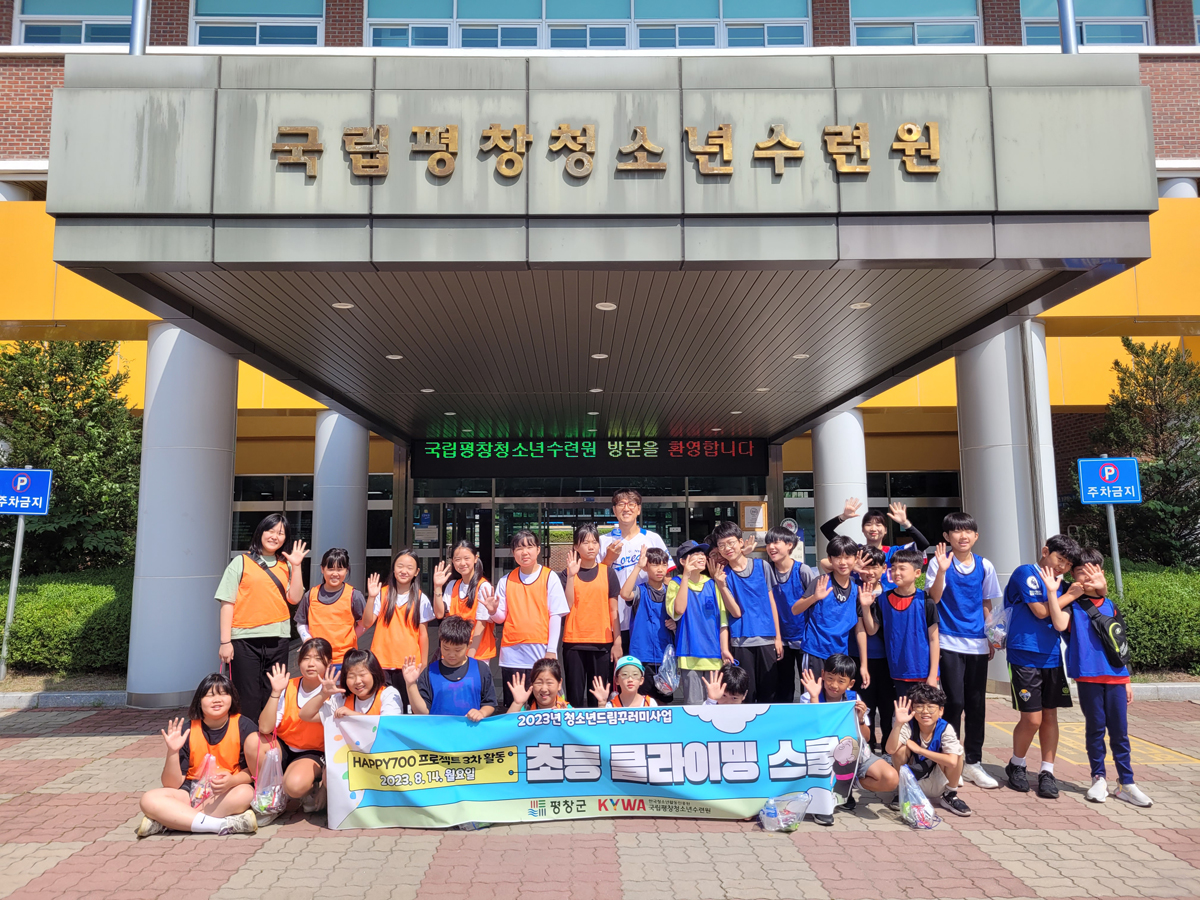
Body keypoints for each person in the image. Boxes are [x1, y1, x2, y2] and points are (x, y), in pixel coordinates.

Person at [1046, 548, 1152, 807]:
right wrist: (1052, 592)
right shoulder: (1074, 603)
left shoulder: (1111, 605)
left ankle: (1127, 783)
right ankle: (1099, 778)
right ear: (1073, 576)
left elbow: (1120, 643)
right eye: (1080, 573)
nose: (1086, 577)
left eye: (1092, 572)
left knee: (1120, 733)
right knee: (1095, 729)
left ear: (1101, 573)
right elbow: (1059, 624)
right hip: (1087, 676)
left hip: (1116, 676)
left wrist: (1127, 679)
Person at [925, 512, 1003, 791]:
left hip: (978, 644)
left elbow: (986, 603)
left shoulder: (985, 566)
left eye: (968, 531)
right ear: (946, 537)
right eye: (956, 531)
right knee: (954, 703)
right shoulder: (938, 562)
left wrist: (991, 638)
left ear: (976, 536)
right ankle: (950, 758)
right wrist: (943, 570)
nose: (963, 536)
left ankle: (973, 762)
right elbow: (933, 598)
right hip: (948, 641)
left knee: (976, 704)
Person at [1002, 533, 1081, 799]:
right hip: (1023, 653)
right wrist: (1068, 595)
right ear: (1045, 551)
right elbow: (1041, 611)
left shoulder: (1061, 582)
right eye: (1060, 559)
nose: (1062, 567)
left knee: (1050, 716)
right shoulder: (1026, 572)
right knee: (1032, 718)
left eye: (1068, 565)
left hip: (1051, 655)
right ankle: (1017, 764)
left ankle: (1047, 771)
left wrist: (1067, 590)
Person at [135, 673, 260, 837]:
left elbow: (252, 773)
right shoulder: (187, 730)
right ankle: (221, 825)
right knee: (149, 799)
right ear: (199, 702)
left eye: (223, 694)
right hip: (190, 792)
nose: (217, 700)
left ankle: (172, 821)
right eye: (210, 695)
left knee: (246, 793)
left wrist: (233, 780)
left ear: (232, 699)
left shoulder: (244, 726)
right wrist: (172, 751)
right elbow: (172, 784)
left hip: (225, 792)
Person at [216, 512, 308, 720]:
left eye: (281, 533)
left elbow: (294, 598)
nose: (275, 536)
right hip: (243, 640)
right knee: (246, 695)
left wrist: (297, 564)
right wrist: (225, 641)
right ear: (260, 532)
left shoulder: (287, 565)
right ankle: (247, 743)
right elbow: (226, 603)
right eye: (271, 530)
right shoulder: (241, 562)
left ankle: (270, 743)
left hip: (278, 639)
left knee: (273, 693)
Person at [798, 654, 900, 825]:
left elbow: (866, 737)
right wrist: (815, 697)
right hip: (821, 756)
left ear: (850, 683)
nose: (834, 685)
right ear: (822, 674)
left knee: (891, 778)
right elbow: (814, 732)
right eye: (830, 678)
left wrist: (860, 719)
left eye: (841, 681)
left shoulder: (854, 699)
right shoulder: (809, 696)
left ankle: (850, 784)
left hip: (853, 754)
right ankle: (822, 803)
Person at [479, 530, 569, 709]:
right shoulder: (506, 580)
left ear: (538, 550)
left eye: (529, 546)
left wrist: (552, 650)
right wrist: (492, 610)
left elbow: (555, 616)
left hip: (541, 652)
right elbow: (500, 618)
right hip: (512, 655)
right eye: (519, 548)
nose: (524, 552)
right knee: (514, 707)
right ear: (513, 553)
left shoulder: (550, 577)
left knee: (545, 705)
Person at [258, 639, 331, 818]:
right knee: (255, 741)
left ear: (328, 663)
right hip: (284, 746)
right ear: (298, 662)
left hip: (313, 752)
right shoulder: (288, 686)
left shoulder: (332, 692)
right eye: (306, 658)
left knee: (294, 786)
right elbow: (265, 727)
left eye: (318, 658)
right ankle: (266, 796)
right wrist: (275, 692)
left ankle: (312, 786)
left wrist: (327, 787)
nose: (311, 663)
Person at [711, 521, 783, 704]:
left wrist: (778, 637)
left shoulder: (762, 566)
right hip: (740, 641)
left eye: (731, 542)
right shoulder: (723, 575)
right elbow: (734, 612)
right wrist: (721, 585)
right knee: (745, 695)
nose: (727, 548)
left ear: (740, 542)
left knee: (770, 692)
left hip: (766, 638)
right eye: (721, 545)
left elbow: (772, 602)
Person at [599, 489, 675, 651]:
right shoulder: (603, 541)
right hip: (612, 618)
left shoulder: (652, 539)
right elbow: (595, 579)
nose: (626, 508)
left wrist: (671, 613)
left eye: (631, 504)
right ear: (614, 510)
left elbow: (667, 577)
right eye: (621, 504)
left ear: (639, 509)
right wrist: (608, 559)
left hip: (647, 616)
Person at [667, 541, 737, 705]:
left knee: (715, 705)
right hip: (688, 655)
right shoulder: (675, 583)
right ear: (683, 561)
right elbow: (679, 610)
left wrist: (724, 649)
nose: (700, 557)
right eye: (695, 554)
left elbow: (723, 623)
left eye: (701, 554)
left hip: (713, 656)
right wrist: (685, 576)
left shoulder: (712, 584)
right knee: (694, 706)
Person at [361, 548, 434, 704]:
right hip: (381, 662)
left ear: (417, 572)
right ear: (393, 568)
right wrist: (371, 598)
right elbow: (367, 623)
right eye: (400, 566)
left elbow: (423, 635)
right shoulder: (382, 593)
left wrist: (424, 665)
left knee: (407, 708)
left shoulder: (421, 598)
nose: (404, 571)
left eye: (409, 567)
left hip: (409, 666)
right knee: (383, 707)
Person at [561, 523, 622, 708]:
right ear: (576, 546)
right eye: (585, 542)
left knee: (600, 697)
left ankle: (599, 735)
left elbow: (614, 610)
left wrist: (617, 642)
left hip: (602, 643)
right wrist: (571, 576)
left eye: (594, 542)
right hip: (574, 642)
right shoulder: (566, 574)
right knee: (575, 695)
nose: (590, 546)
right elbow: (567, 605)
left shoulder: (608, 572)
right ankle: (575, 736)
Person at [792, 536, 870, 682]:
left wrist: (864, 666)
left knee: (836, 700)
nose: (843, 562)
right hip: (815, 652)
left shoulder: (856, 589)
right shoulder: (821, 582)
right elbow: (795, 609)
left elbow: (860, 629)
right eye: (837, 557)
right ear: (830, 559)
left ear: (855, 558)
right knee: (812, 699)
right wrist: (814, 597)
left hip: (840, 656)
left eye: (847, 557)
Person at [887, 685, 972, 818]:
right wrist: (897, 724)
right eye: (919, 706)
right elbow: (890, 749)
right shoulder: (908, 725)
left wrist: (920, 750)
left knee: (957, 753)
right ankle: (903, 791)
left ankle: (949, 795)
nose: (925, 711)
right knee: (899, 750)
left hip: (938, 778)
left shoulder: (945, 728)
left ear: (941, 711)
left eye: (931, 707)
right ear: (912, 709)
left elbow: (952, 761)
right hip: (912, 777)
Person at [868, 548, 939, 700]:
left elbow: (934, 640)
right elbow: (872, 630)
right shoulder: (883, 600)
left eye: (902, 568)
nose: (896, 573)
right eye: (893, 569)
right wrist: (866, 607)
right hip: (897, 672)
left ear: (917, 573)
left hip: (923, 672)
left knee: (925, 715)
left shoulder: (926, 601)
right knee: (905, 717)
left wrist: (933, 675)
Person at [819, 499, 932, 589]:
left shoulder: (896, 552)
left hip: (889, 602)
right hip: (860, 602)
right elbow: (826, 530)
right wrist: (843, 517)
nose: (873, 528)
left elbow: (923, 544)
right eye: (868, 524)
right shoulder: (856, 551)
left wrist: (905, 523)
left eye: (878, 525)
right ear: (862, 529)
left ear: (886, 530)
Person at [403, 615, 497, 719]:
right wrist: (411, 684)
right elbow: (422, 712)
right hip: (438, 730)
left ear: (468, 645)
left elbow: (490, 703)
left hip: (471, 730)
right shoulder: (430, 672)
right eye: (446, 648)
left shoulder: (480, 669)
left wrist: (482, 713)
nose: (451, 654)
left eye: (457, 650)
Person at [765, 525, 817, 703]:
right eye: (768, 543)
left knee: (808, 686)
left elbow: (814, 604)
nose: (771, 547)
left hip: (804, 639)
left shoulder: (803, 571)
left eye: (776, 542)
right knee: (783, 687)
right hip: (779, 639)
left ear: (790, 545)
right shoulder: (767, 570)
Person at [620, 546, 676, 704]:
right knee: (642, 702)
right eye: (655, 564)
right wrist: (638, 566)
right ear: (646, 567)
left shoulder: (671, 593)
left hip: (665, 657)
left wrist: (675, 623)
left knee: (664, 703)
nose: (660, 569)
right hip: (642, 656)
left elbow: (681, 615)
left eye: (664, 564)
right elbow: (624, 594)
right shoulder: (640, 591)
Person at [294, 548, 366, 672]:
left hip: (345, 660)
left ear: (347, 570)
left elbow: (365, 623)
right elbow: (301, 622)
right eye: (330, 569)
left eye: (340, 569)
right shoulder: (310, 595)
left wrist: (352, 637)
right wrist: (307, 639)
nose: (335, 573)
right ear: (322, 569)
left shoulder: (354, 595)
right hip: (317, 660)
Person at [849, 545, 892, 748]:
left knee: (887, 705)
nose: (870, 572)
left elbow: (874, 629)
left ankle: (887, 746)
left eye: (875, 567)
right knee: (866, 705)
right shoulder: (853, 587)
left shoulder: (890, 593)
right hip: (859, 658)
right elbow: (863, 630)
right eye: (865, 567)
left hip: (887, 660)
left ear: (884, 569)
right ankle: (868, 744)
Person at [433, 540, 496, 661]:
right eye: (457, 559)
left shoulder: (483, 586)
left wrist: (470, 656)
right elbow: (440, 614)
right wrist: (437, 587)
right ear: (452, 561)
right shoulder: (452, 585)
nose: (462, 563)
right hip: (453, 652)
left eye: (467, 558)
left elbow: (481, 624)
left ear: (475, 558)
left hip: (477, 653)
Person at [299, 648, 404, 720]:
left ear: (374, 673)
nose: (357, 681)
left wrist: (353, 715)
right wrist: (324, 694)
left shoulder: (389, 694)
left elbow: (388, 726)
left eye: (362, 674)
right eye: (351, 676)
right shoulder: (341, 699)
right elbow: (305, 715)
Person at [591, 655, 658, 708]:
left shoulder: (650, 703)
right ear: (616, 680)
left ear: (641, 680)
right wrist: (602, 704)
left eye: (635, 675)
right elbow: (604, 724)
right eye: (625, 675)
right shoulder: (611, 705)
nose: (630, 679)